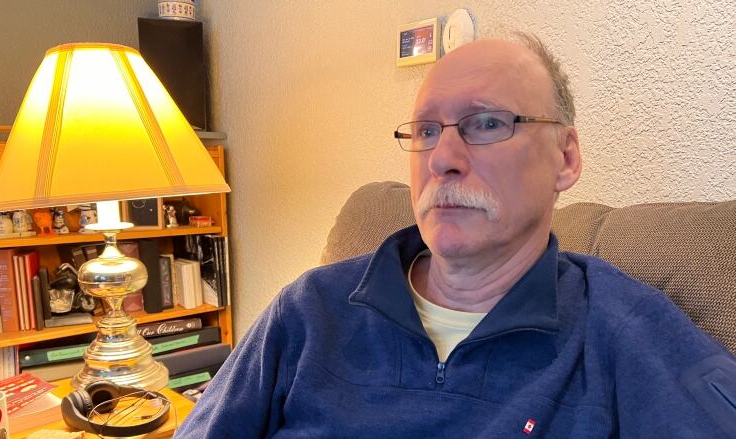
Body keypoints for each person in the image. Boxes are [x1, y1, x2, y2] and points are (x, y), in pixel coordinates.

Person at [175, 33, 736, 438]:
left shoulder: (624, 330)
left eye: (488, 123)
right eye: (425, 130)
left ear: (565, 158)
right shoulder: (309, 309)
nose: (442, 157)